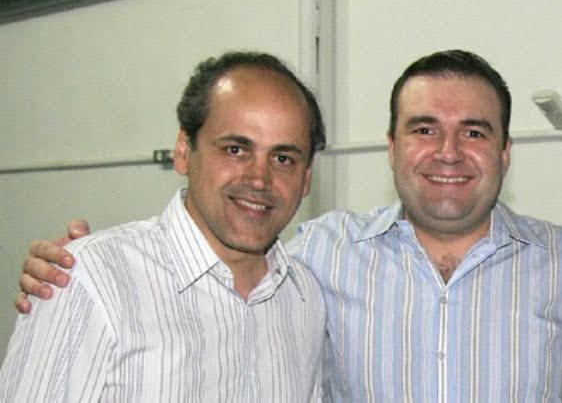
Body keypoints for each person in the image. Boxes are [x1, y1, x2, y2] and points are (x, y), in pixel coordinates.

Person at [14, 50, 562, 401]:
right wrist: (76, 269)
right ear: (392, 148)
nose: (448, 152)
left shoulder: (296, 287)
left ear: (505, 151)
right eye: (424, 129)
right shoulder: (321, 255)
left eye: (474, 132)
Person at [1, 51, 328, 402]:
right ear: (184, 151)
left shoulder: (304, 297)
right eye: (235, 149)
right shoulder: (92, 281)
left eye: (283, 159)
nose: (259, 178)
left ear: (306, 178)